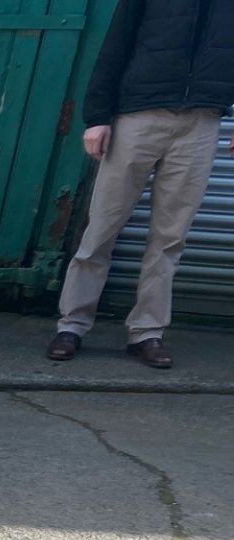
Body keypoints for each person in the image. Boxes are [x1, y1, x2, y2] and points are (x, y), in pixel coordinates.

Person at [47, 0, 232, 368]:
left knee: (170, 237)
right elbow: (115, 45)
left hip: (201, 122)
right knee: (102, 227)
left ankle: (147, 333)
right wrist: (97, 116)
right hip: (138, 116)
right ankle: (72, 325)